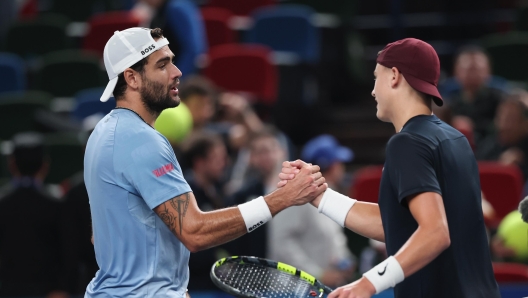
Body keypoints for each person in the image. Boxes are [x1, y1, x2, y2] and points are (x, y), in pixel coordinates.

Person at [84, 27, 326, 298]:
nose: (177, 72)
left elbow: (101, 235)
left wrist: (170, 285)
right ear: (132, 78)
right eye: (162, 65)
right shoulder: (141, 140)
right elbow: (195, 232)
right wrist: (281, 199)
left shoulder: (102, 134)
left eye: (172, 61)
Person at [280, 38, 500, 298]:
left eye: (376, 77)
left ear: (394, 76)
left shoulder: (406, 143)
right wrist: (319, 196)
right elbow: (398, 227)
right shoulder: (456, 140)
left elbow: (436, 232)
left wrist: (367, 283)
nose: (373, 91)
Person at [268, 134, 356, 288]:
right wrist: (316, 274)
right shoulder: (297, 195)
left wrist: (343, 260)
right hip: (293, 289)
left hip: (319, 288)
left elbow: (332, 238)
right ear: (333, 166)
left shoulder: (329, 195)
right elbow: (281, 242)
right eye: (339, 163)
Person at [0, 132, 68, 298]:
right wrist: (61, 288)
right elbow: (67, 252)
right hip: (48, 292)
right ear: (45, 165)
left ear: (11, 164)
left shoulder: (2, 204)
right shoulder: (57, 205)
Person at [180, 131, 230, 290]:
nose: (224, 163)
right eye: (217, 158)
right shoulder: (183, 193)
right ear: (200, 162)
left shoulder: (220, 190)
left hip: (216, 285)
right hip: (193, 286)